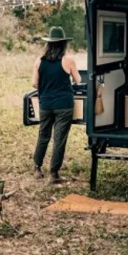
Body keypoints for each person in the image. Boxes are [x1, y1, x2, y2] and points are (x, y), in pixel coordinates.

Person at [32, 26, 81, 183]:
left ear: (48, 43)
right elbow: (78, 80)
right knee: (59, 139)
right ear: (64, 43)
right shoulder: (68, 60)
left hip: (45, 104)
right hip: (64, 105)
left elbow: (34, 83)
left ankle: (37, 168)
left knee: (43, 135)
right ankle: (54, 173)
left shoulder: (39, 61)